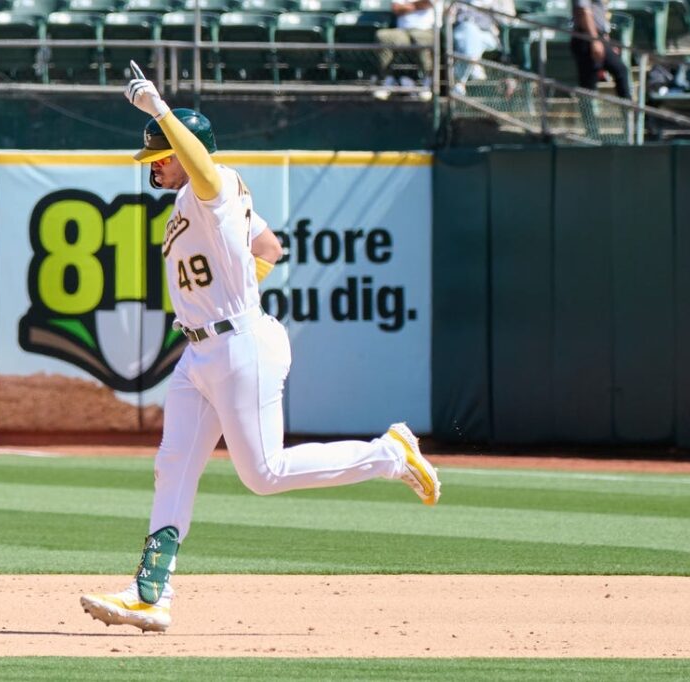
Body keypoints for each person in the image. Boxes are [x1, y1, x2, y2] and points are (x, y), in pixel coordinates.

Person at [78, 66, 442, 633]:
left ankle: (390, 454)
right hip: (200, 353)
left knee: (264, 474)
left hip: (239, 343)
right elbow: (269, 244)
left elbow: (204, 171)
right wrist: (242, 279)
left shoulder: (216, 184)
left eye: (162, 155)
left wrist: (160, 111)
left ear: (185, 149)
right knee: (173, 464)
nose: (155, 164)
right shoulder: (191, 204)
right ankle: (152, 591)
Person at [571, 0, 631, 99]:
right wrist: (594, 41)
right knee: (588, 85)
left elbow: (599, 14)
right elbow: (584, 11)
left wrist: (607, 41)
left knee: (620, 70)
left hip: (598, 37)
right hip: (586, 38)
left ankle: (628, 110)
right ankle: (588, 113)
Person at [375, 0, 438, 91]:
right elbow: (396, 8)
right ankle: (388, 80)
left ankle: (427, 82)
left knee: (420, 39)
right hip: (403, 31)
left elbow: (427, 3)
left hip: (426, 30)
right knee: (383, 36)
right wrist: (416, 5)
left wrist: (406, 6)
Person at [451, 0, 515, 87]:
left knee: (472, 36)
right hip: (463, 31)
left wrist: (492, 6)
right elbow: (448, 16)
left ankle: (461, 81)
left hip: (487, 35)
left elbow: (507, 20)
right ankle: (473, 64)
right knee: (469, 29)